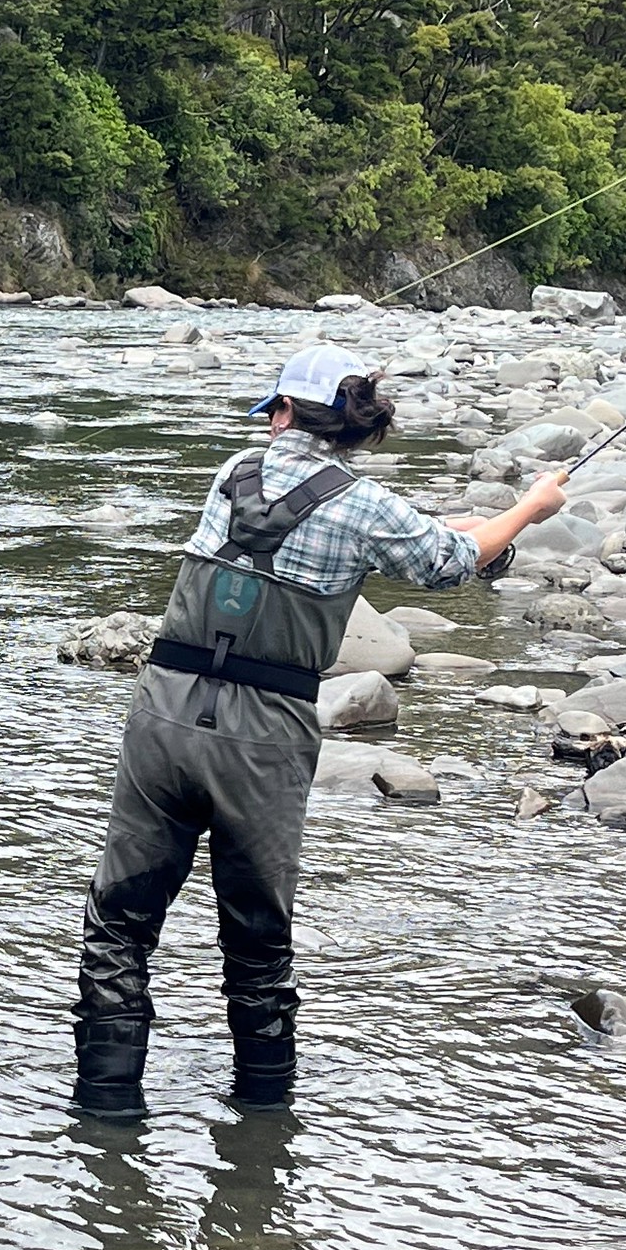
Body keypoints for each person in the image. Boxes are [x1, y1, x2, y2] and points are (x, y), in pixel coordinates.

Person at [71, 345, 566, 1117]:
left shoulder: (233, 472)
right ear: (355, 427)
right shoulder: (367, 507)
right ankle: (262, 1139)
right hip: (263, 736)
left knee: (119, 927)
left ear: (281, 415)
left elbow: (319, 528)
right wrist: (530, 509)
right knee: (258, 947)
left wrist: (464, 528)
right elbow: (451, 560)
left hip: (164, 713)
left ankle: (105, 1116)